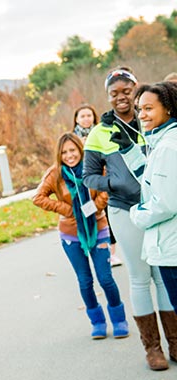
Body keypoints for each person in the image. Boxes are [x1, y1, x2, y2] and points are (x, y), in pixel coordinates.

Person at [83, 67, 175, 371]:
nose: (122, 98)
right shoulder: (100, 132)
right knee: (140, 276)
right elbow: (89, 176)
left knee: (163, 276)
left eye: (127, 91)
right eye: (115, 93)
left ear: (137, 90)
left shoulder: (151, 119)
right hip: (126, 210)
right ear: (107, 96)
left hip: (159, 209)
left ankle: (175, 341)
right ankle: (152, 348)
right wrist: (115, 185)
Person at [33, 133, 129, 339]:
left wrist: (97, 204)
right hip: (70, 235)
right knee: (85, 281)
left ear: (80, 149)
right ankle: (97, 322)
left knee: (105, 278)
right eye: (64, 152)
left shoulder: (93, 168)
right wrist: (66, 209)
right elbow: (38, 197)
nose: (69, 155)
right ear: (59, 155)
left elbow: (110, 185)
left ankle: (119, 319)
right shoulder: (55, 174)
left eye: (72, 150)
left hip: (100, 228)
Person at [117, 81, 177, 359]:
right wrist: (130, 152)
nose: (142, 114)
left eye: (149, 108)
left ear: (169, 108)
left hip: (172, 248)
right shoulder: (161, 143)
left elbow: (165, 203)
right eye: (140, 109)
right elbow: (154, 181)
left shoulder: (168, 147)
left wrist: (136, 214)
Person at [72, 105, 122, 268]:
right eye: (82, 116)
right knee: (87, 217)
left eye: (89, 115)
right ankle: (92, 251)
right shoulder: (72, 139)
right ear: (76, 119)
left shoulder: (101, 133)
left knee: (106, 217)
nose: (86, 119)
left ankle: (111, 253)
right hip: (82, 185)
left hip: (101, 182)